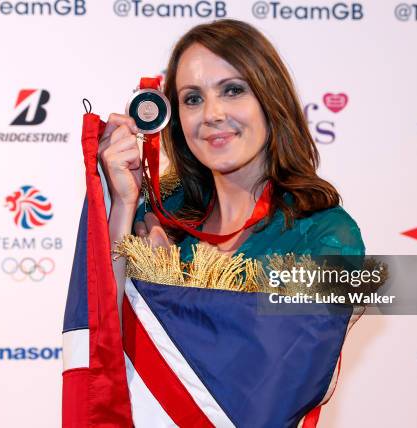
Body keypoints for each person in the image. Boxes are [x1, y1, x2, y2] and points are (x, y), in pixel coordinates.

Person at [97, 19, 365, 425]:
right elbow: (102, 353)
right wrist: (121, 203)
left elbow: (277, 384)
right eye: (192, 99)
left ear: (269, 98)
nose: (212, 114)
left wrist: (167, 287)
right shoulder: (158, 216)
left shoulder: (328, 234)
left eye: (233, 90)